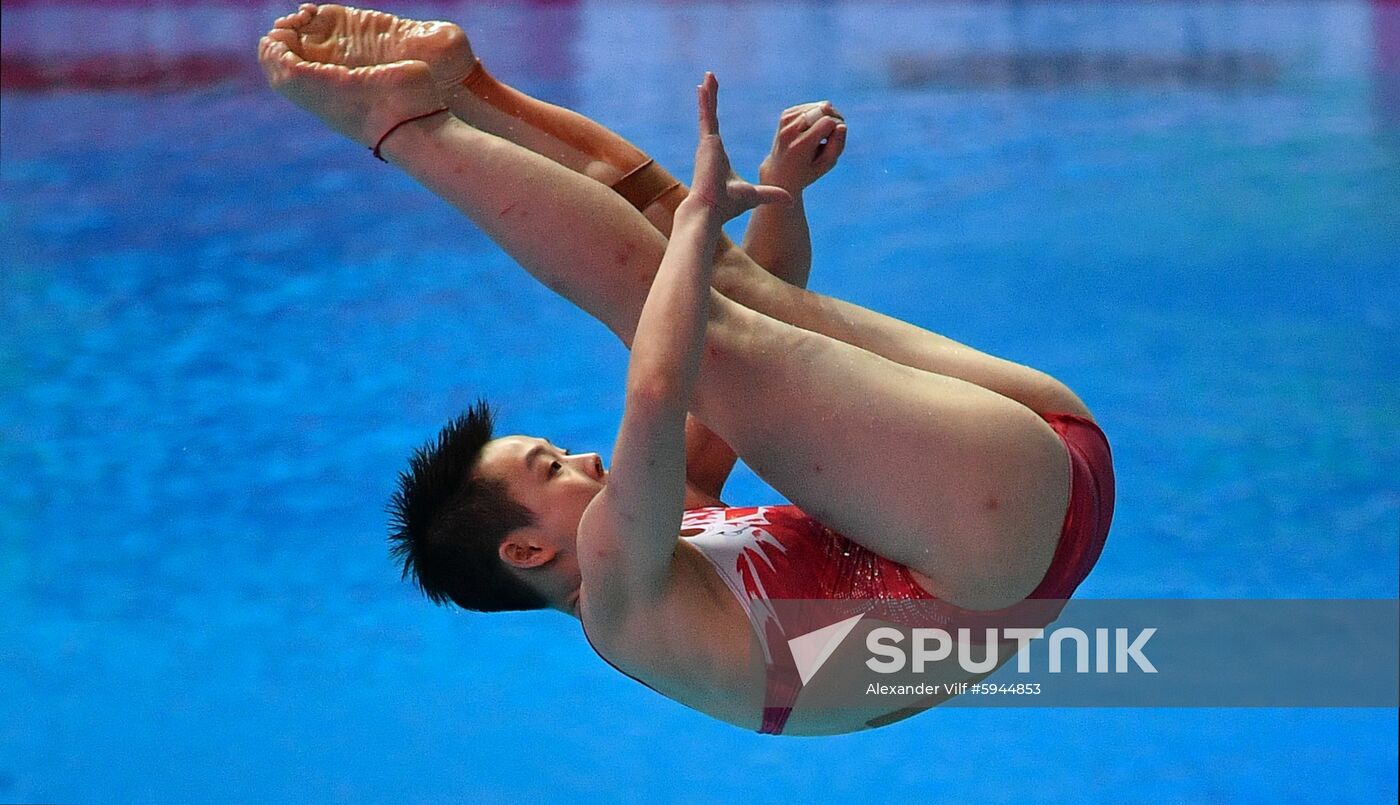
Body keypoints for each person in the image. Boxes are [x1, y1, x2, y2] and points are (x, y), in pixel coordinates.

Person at [257, 4, 1114, 735]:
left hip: (1032, 492)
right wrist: (699, 216)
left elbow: (762, 318)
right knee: (686, 312)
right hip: (991, 543)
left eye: (557, 449)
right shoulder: (623, 605)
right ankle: (407, 128)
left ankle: (468, 92)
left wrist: (779, 191)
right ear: (528, 549)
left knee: (723, 290)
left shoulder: (677, 527)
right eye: (551, 467)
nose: (586, 457)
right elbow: (661, 384)